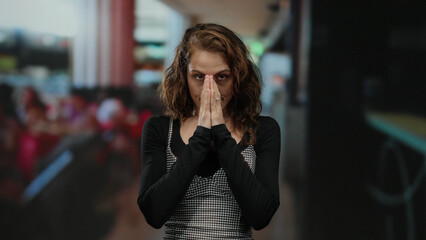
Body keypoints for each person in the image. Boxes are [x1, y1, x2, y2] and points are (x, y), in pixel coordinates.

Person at [137, 23, 281, 239]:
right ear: (184, 76)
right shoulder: (160, 129)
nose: (209, 90)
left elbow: (260, 216)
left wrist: (221, 133)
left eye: (222, 76)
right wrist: (202, 132)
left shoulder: (263, 130)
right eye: (198, 76)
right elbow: (154, 214)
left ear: (238, 78)